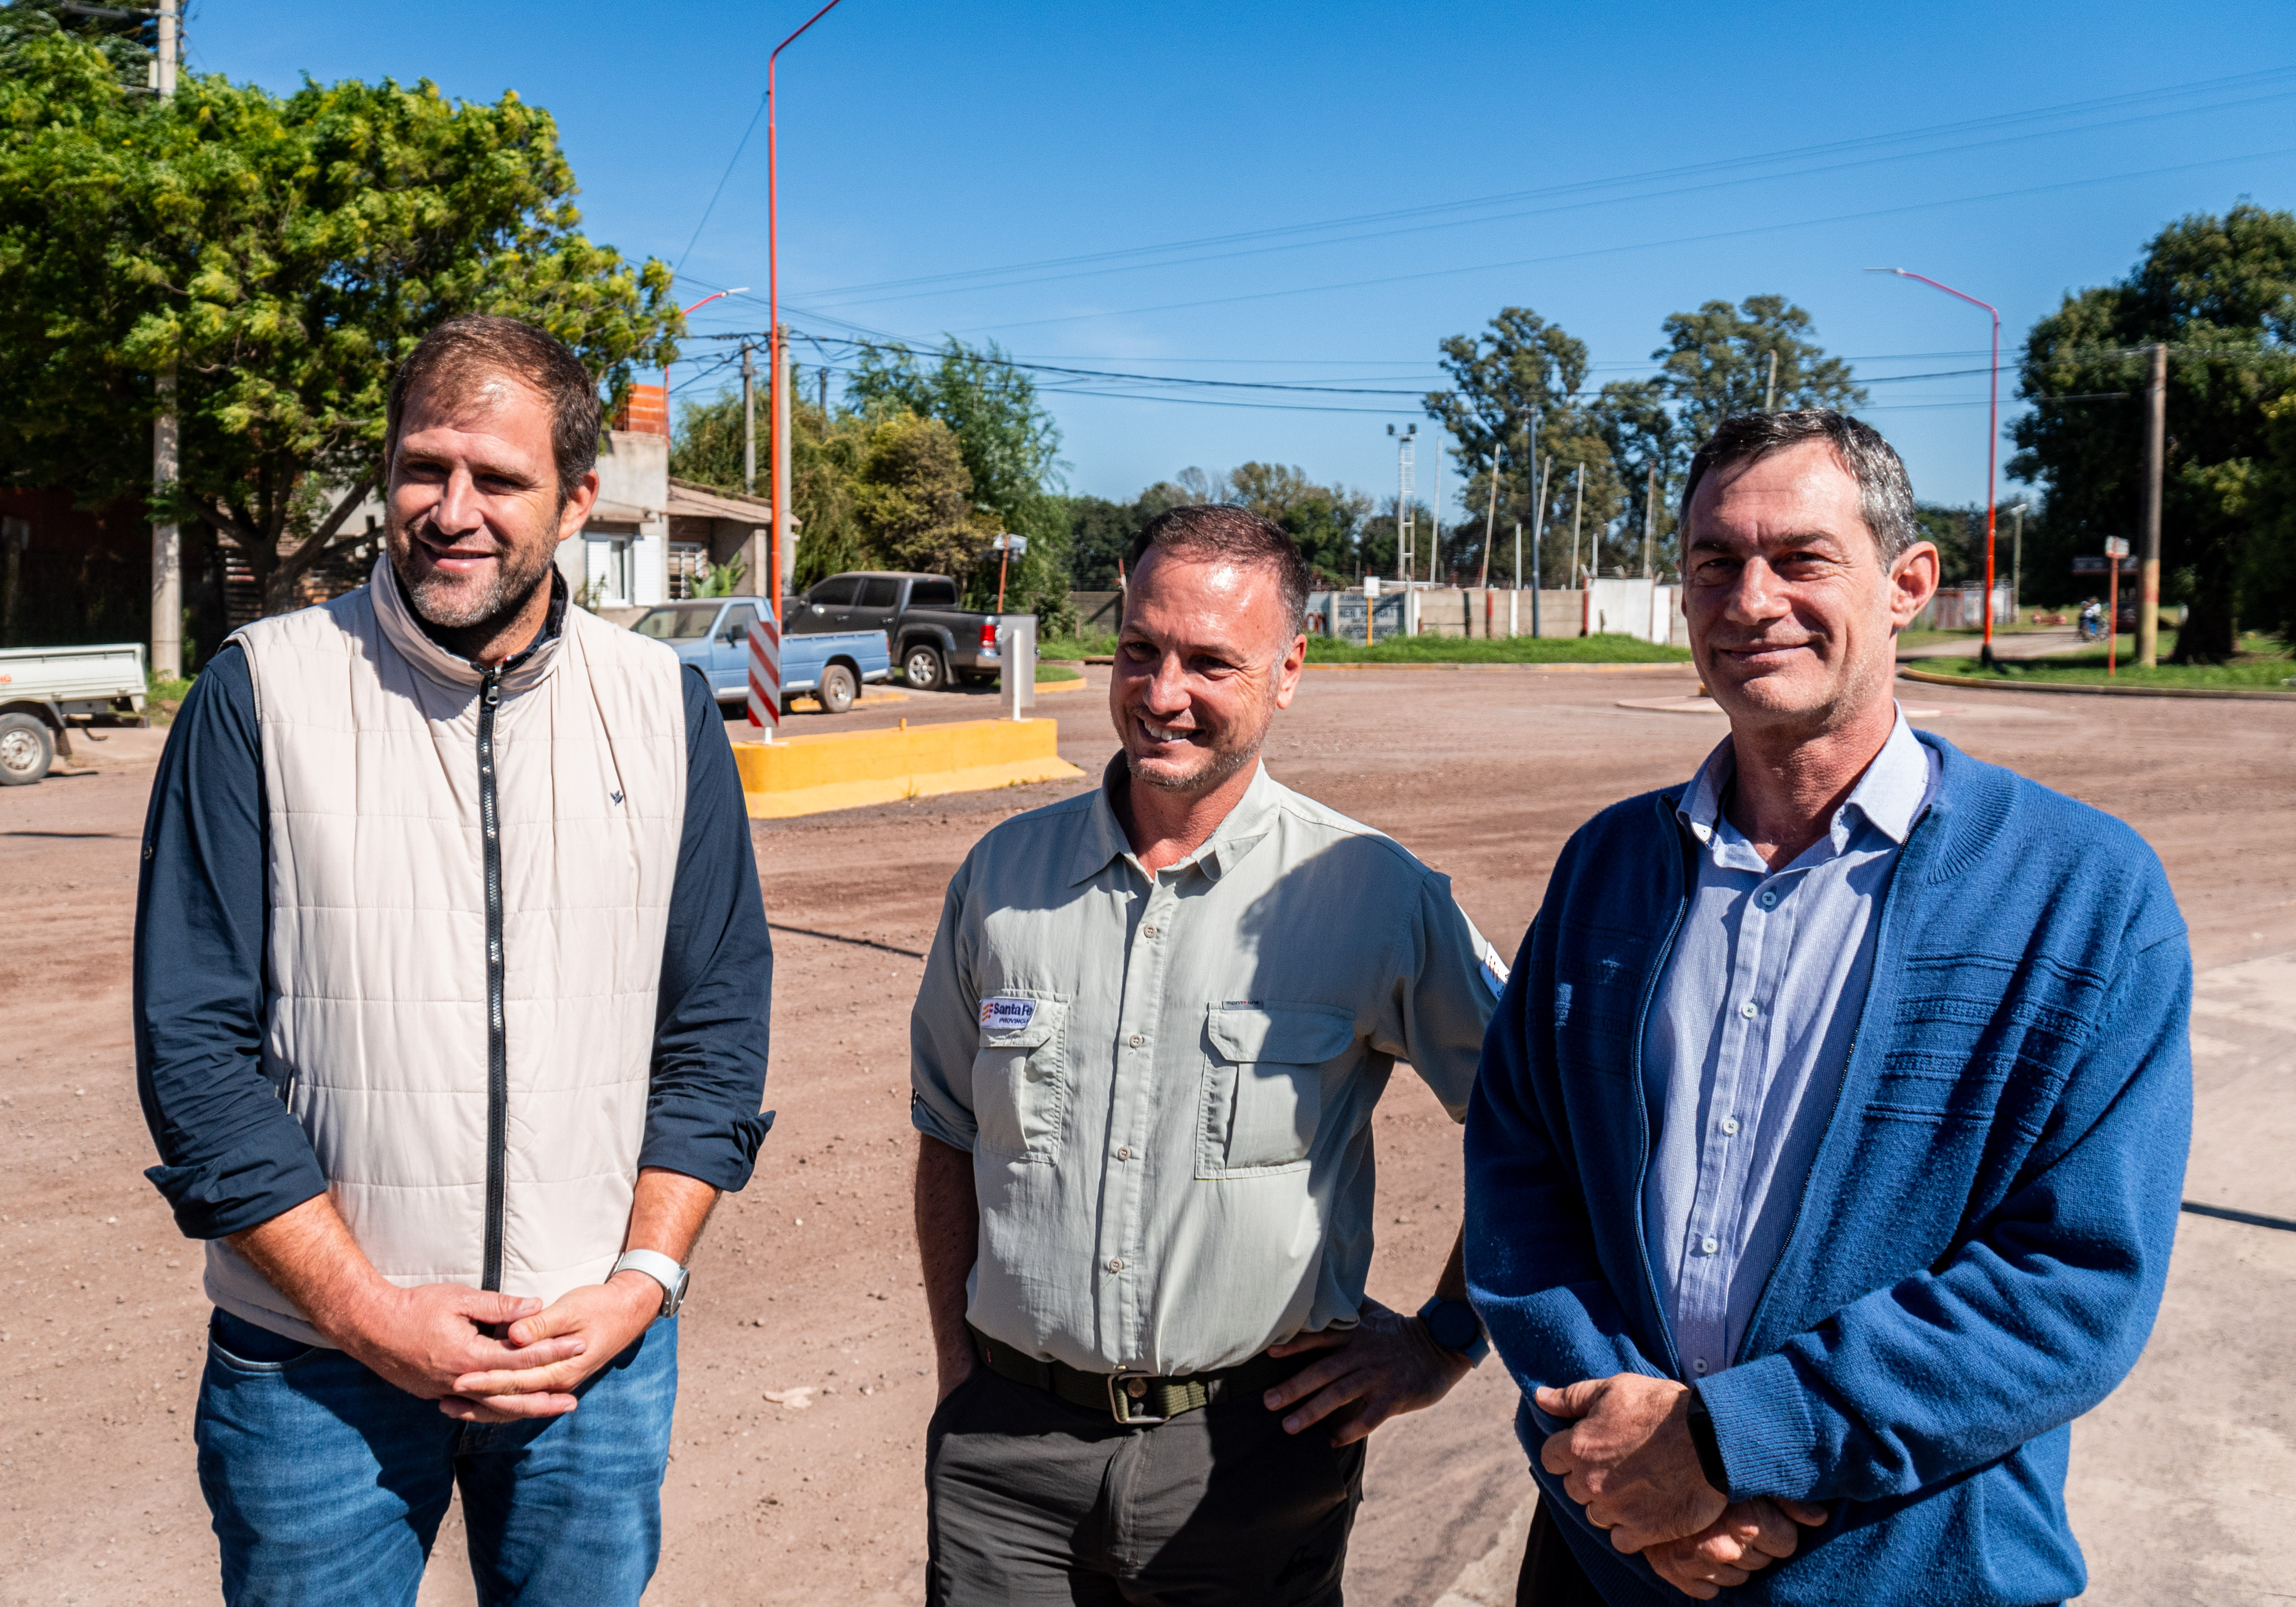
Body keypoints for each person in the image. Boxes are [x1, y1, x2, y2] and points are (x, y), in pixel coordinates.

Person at [1463, 411, 2191, 1605]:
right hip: (1607, 1557)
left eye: (1801, 558)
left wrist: (1732, 1441)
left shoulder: (2082, 895)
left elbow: (2074, 1279)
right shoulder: (1609, 867)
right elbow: (1518, 1176)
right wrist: (1628, 1466)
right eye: (1714, 562)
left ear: (1907, 585)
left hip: (1909, 1568)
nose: (1751, 600)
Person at [133, 315, 772, 1605]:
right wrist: (366, 1312)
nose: (451, 508)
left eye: (499, 478)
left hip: (584, 1364)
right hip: (316, 1368)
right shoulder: (260, 691)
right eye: (424, 466)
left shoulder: (661, 709)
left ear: (580, 498)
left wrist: (641, 1282)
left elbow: (714, 1029)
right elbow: (193, 1047)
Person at [909, 505, 1506, 1607]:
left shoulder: (1372, 895)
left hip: (1251, 1460)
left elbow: (1538, 1129)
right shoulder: (1001, 879)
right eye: (1140, 649)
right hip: (1006, 1465)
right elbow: (948, 1129)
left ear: (1288, 671)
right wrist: (961, 1384)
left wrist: (1440, 1344)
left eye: (1210, 663)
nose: (1162, 692)